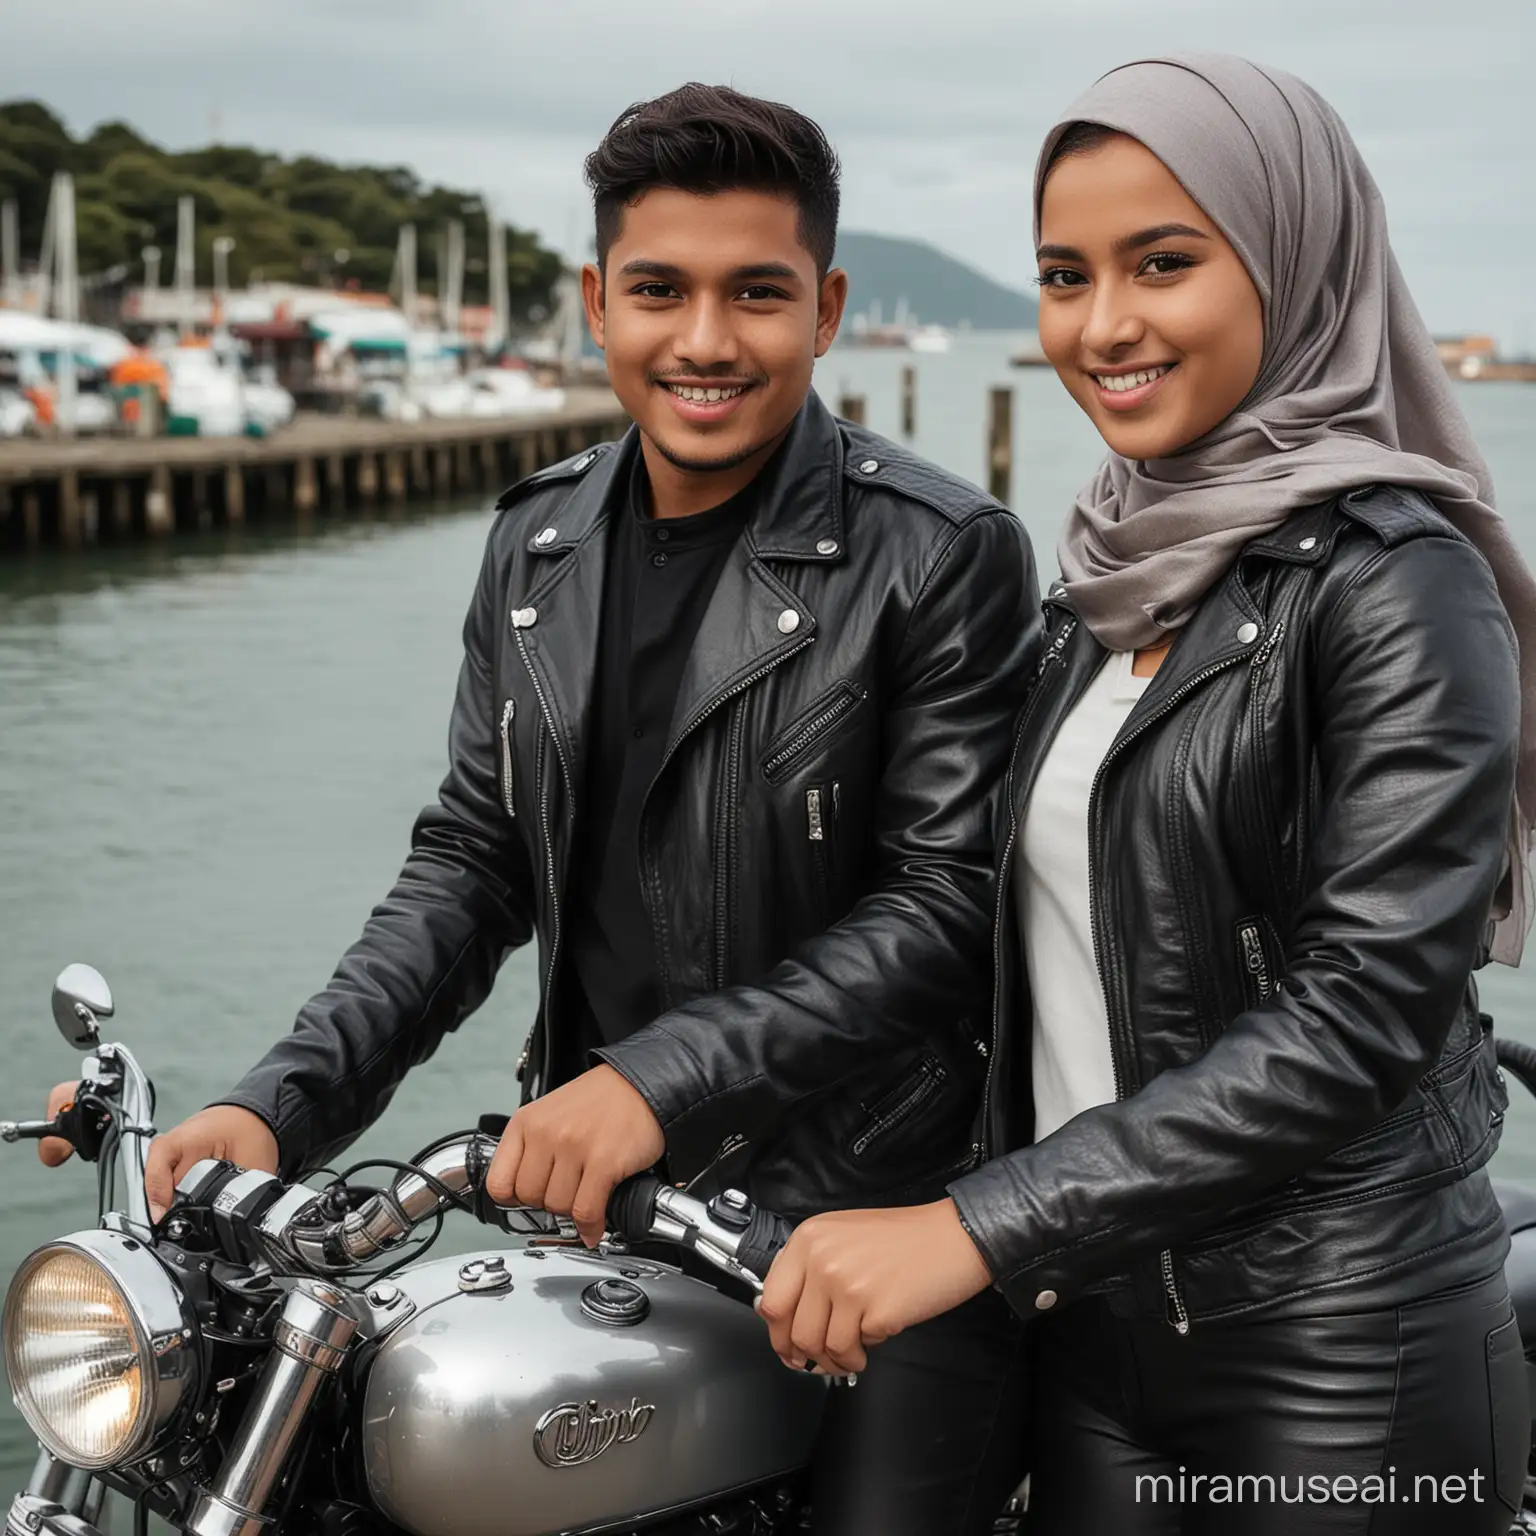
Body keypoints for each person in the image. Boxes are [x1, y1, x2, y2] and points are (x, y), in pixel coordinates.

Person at [42, 84, 1038, 1534]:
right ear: (596, 304)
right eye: (660, 290)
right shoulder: (538, 543)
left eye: (756, 293)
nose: (705, 340)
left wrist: (656, 1081)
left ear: (824, 310)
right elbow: (471, 862)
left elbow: (947, 907)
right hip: (592, 1217)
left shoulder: (943, 555)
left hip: (868, 1222)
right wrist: (280, 1101)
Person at [755, 54, 1536, 1534]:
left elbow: (1362, 1009)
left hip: (1333, 1350)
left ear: (1296, 265)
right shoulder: (1109, 583)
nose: (1102, 324)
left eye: (1162, 264)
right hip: (1098, 1327)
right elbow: (999, 941)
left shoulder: (1398, 583)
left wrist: (968, 1230)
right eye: (1064, 273)